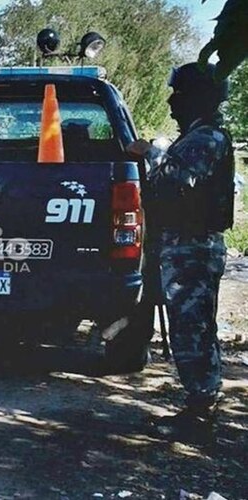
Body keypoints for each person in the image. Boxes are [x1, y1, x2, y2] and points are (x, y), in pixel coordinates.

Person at [127, 62, 234, 440]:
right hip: (183, 245)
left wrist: (151, 152)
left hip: (193, 247)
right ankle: (200, 405)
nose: (172, 102)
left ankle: (201, 411)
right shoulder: (196, 136)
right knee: (190, 325)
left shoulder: (206, 138)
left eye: (179, 94)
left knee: (192, 327)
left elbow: (177, 178)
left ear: (196, 99)